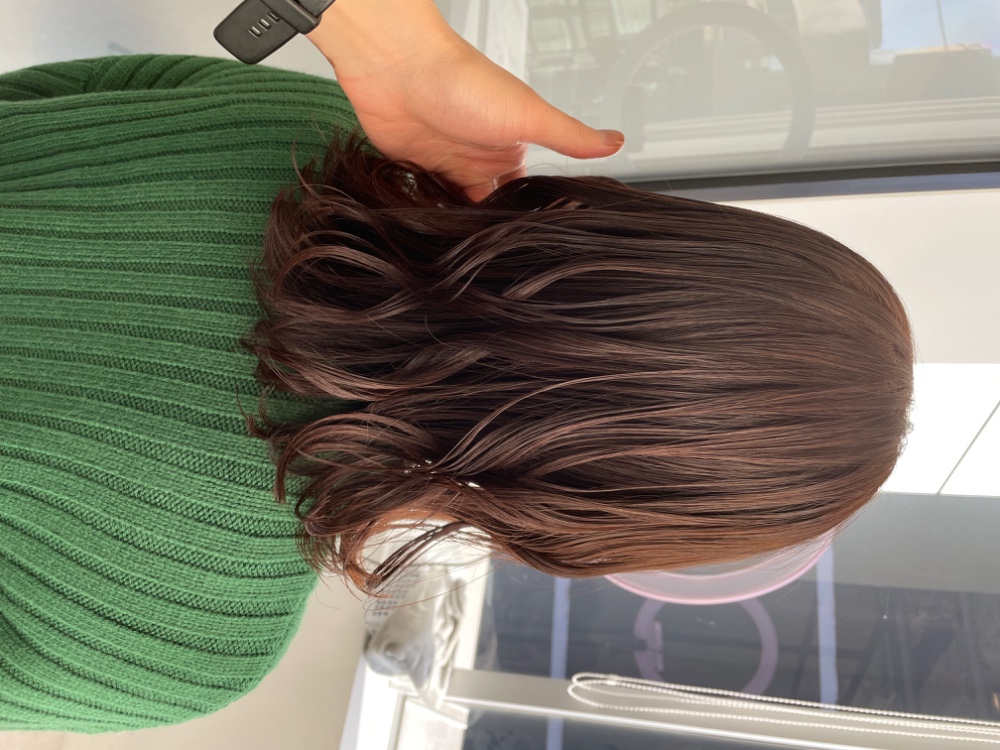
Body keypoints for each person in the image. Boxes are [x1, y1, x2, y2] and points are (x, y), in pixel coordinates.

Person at [0, 0, 912, 733]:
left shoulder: (308, 131)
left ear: (646, 238)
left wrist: (402, 50)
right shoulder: (180, 643)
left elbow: (28, 104)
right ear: (590, 520)